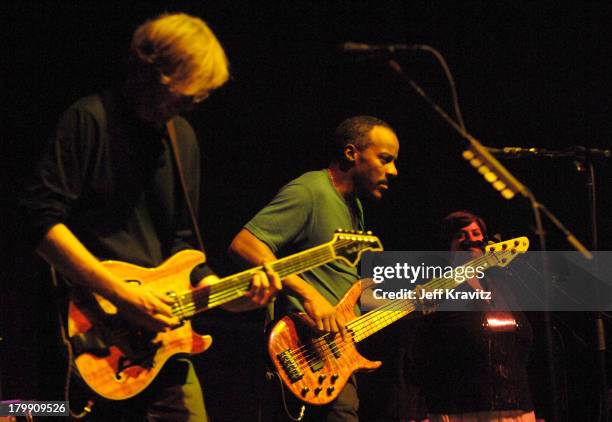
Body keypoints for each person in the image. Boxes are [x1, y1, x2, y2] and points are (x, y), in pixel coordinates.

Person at [18, 12, 279, 421]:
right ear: (154, 73)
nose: (194, 102)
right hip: (91, 336)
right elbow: (39, 221)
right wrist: (123, 296)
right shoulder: (88, 120)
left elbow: (182, 242)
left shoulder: (182, 138)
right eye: (187, 92)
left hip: (163, 339)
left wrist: (228, 294)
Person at [228, 115, 400, 421]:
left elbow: (338, 285)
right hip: (303, 351)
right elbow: (245, 245)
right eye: (385, 159)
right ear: (351, 154)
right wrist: (309, 295)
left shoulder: (354, 207)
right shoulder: (311, 190)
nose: (393, 171)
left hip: (335, 356)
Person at [416, 211, 536, 422]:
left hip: (517, 409)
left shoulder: (501, 287)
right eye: (461, 234)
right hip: (461, 409)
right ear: (449, 244)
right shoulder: (436, 287)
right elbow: (418, 351)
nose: (470, 239)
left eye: (475, 232)